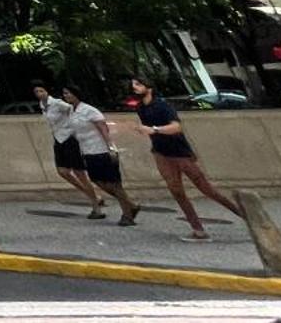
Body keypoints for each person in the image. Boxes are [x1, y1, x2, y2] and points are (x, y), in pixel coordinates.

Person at [131, 75, 245, 241]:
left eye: (138, 84)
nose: (134, 87)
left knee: (207, 189)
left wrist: (154, 130)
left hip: (178, 151)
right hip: (161, 152)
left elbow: (176, 127)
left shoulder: (162, 105)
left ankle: (245, 216)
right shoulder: (141, 107)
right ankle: (197, 229)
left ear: (149, 87)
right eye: (133, 84)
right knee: (177, 191)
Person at [60, 85, 139, 225]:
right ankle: (130, 204)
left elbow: (103, 128)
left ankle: (127, 214)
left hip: (101, 149)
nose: (65, 96)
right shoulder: (72, 111)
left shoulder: (89, 110)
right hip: (87, 150)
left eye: (67, 93)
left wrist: (110, 147)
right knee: (97, 180)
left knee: (114, 183)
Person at [34, 83, 99, 212]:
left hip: (69, 138)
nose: (39, 94)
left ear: (47, 91)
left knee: (79, 172)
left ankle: (95, 204)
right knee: (62, 171)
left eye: (41, 90)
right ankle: (90, 194)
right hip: (58, 139)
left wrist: (73, 126)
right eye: (36, 92)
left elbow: (71, 110)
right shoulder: (43, 105)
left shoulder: (57, 103)